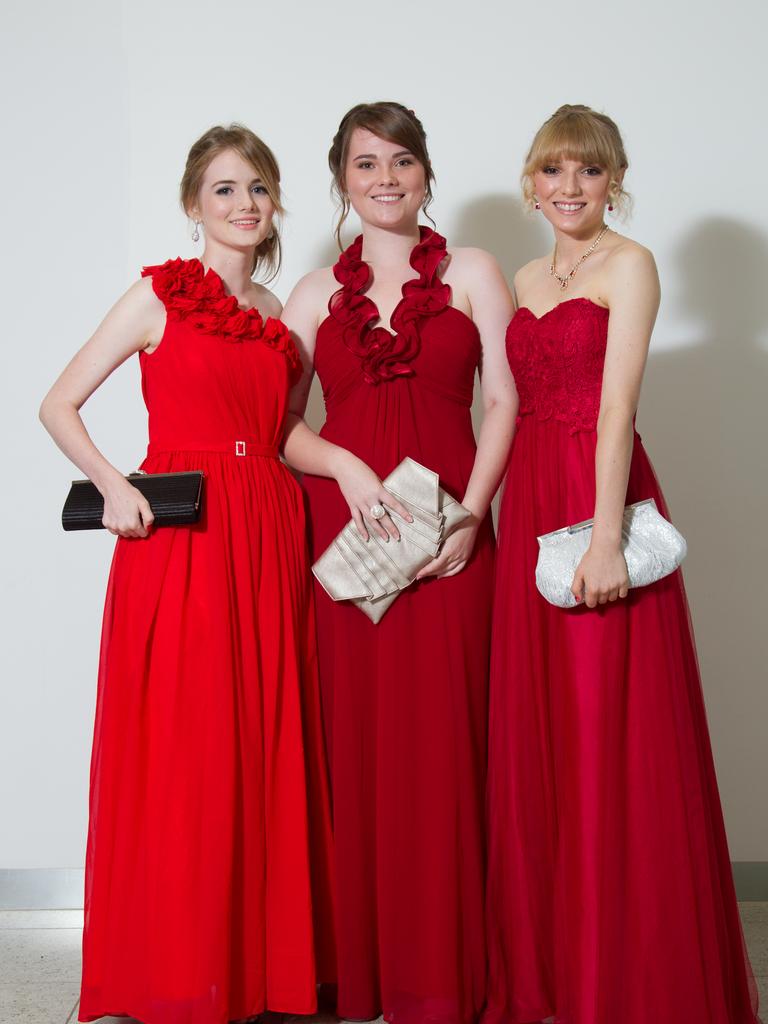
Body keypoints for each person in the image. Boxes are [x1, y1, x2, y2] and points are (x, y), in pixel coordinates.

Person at [39, 124, 335, 1024]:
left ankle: (258, 971)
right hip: (185, 536)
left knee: (261, 744)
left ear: (274, 204)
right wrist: (112, 481)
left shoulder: (284, 316)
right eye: (225, 190)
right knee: (186, 749)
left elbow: (283, 433)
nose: (245, 204)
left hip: (268, 528)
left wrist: (351, 468)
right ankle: (175, 968)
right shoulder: (156, 295)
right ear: (194, 204)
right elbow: (58, 402)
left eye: (258, 189)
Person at [485, 103, 761, 1024]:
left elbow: (617, 407)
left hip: (595, 492)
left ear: (614, 182)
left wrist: (606, 537)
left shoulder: (630, 265)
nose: (570, 189)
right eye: (554, 171)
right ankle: (553, 972)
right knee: (544, 734)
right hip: (528, 492)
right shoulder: (525, 273)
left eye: (589, 172)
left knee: (610, 731)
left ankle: (627, 978)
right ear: (531, 181)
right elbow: (504, 402)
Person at [280, 101, 517, 1024]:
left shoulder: (474, 271)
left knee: (447, 750)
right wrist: (341, 462)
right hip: (348, 544)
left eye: (403, 160)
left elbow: (502, 400)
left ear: (426, 173)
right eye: (366, 163)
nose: (386, 177)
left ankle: (443, 972)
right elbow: (280, 423)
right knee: (356, 748)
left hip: (451, 533)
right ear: (341, 180)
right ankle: (361, 970)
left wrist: (473, 515)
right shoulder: (307, 295)